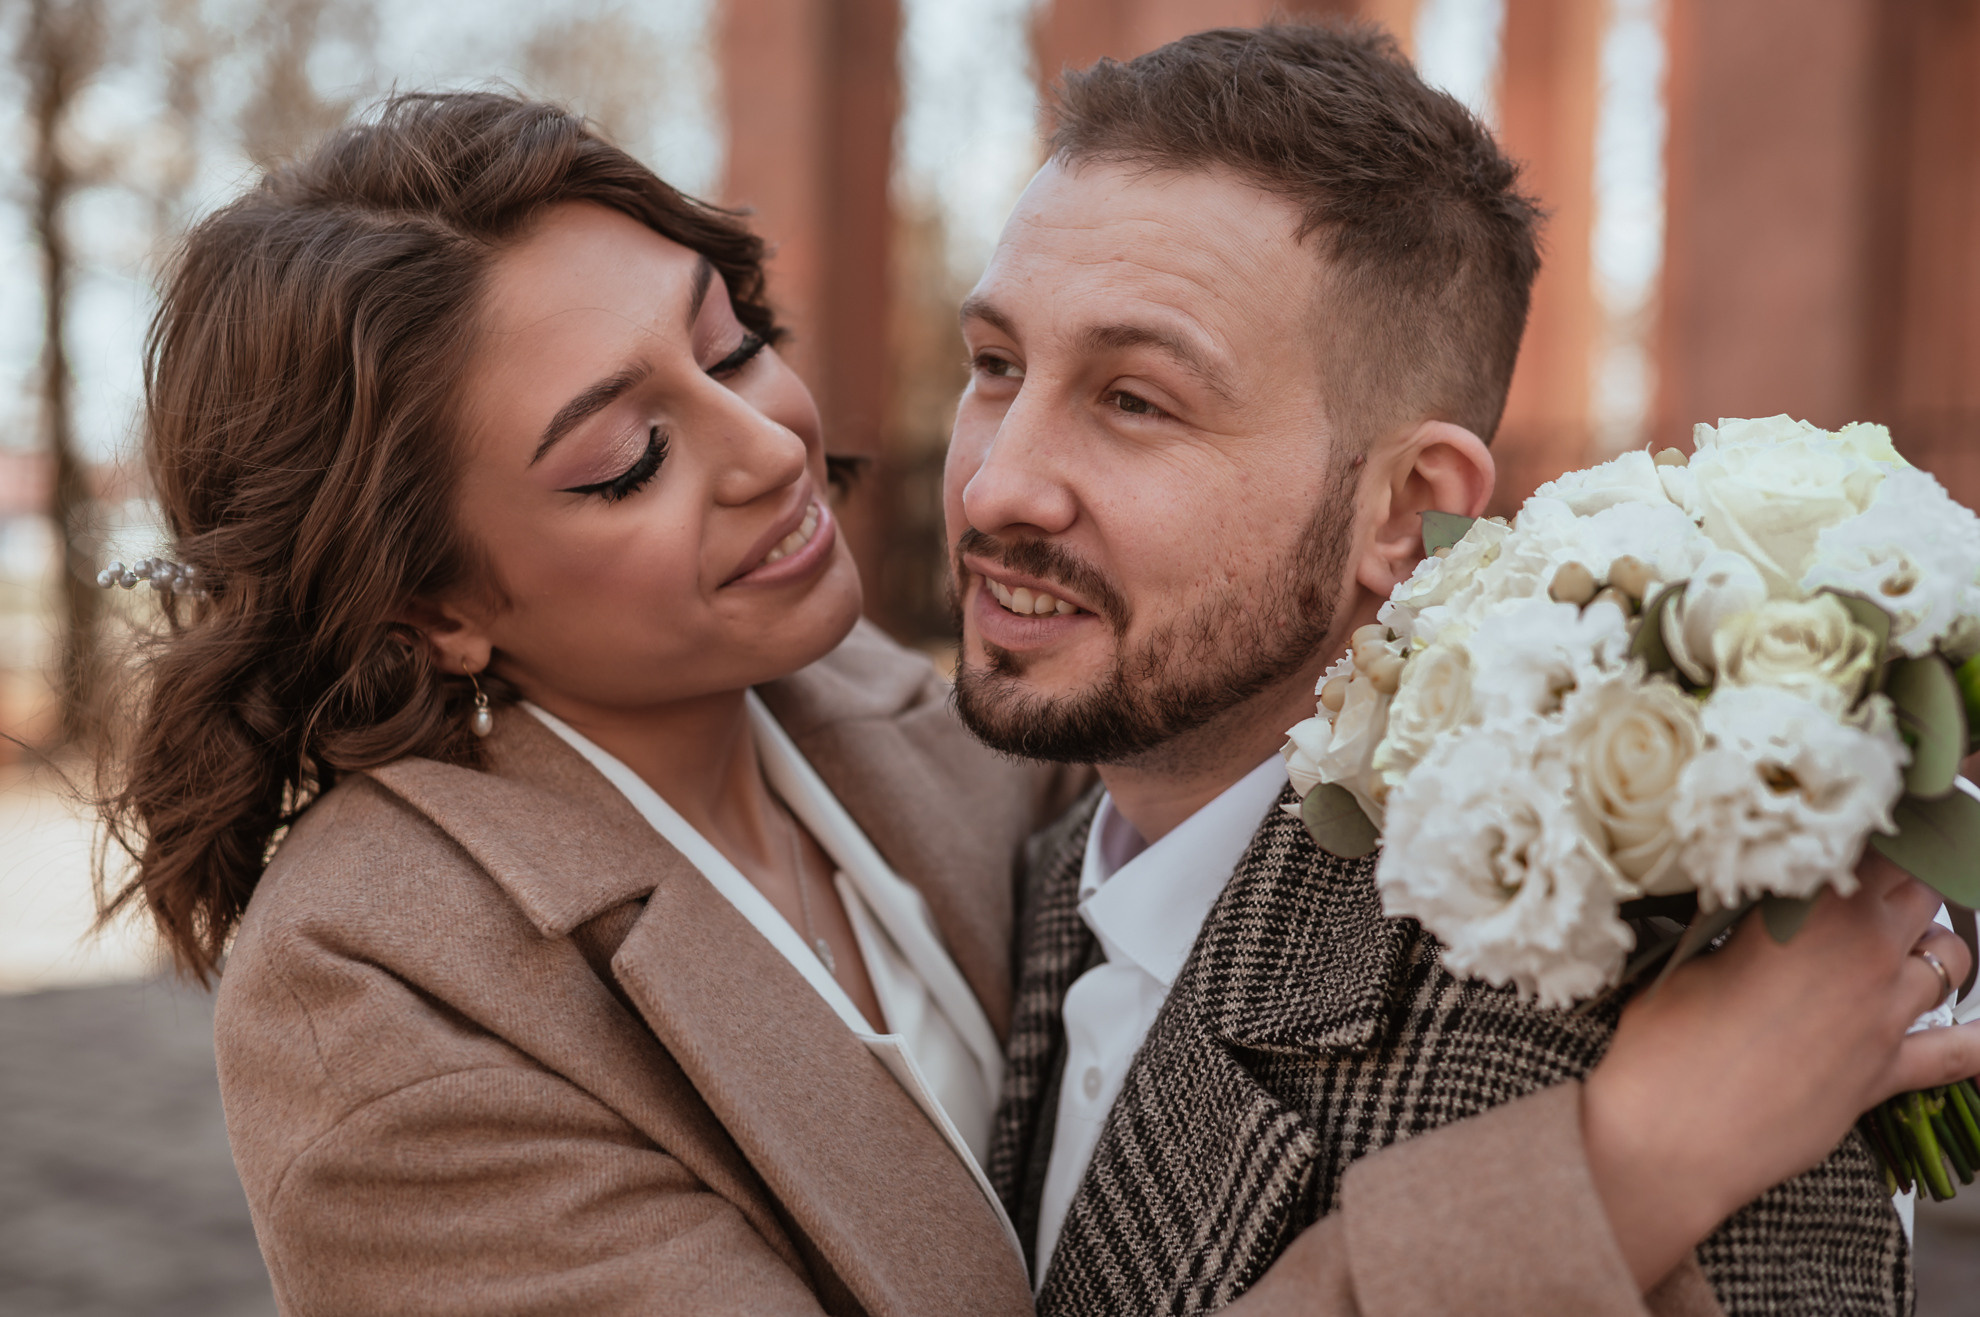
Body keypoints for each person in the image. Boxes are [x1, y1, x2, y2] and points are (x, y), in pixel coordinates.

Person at [945, 24, 1980, 1317]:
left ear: (1408, 508)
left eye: (1135, 400)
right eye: (993, 366)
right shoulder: (995, 881)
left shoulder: (1659, 1040)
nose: (995, 483)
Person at [101, 91, 1087, 1315]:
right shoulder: (376, 987)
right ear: (433, 605)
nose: (773, 448)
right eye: (629, 460)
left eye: (732, 347)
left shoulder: (877, 700)